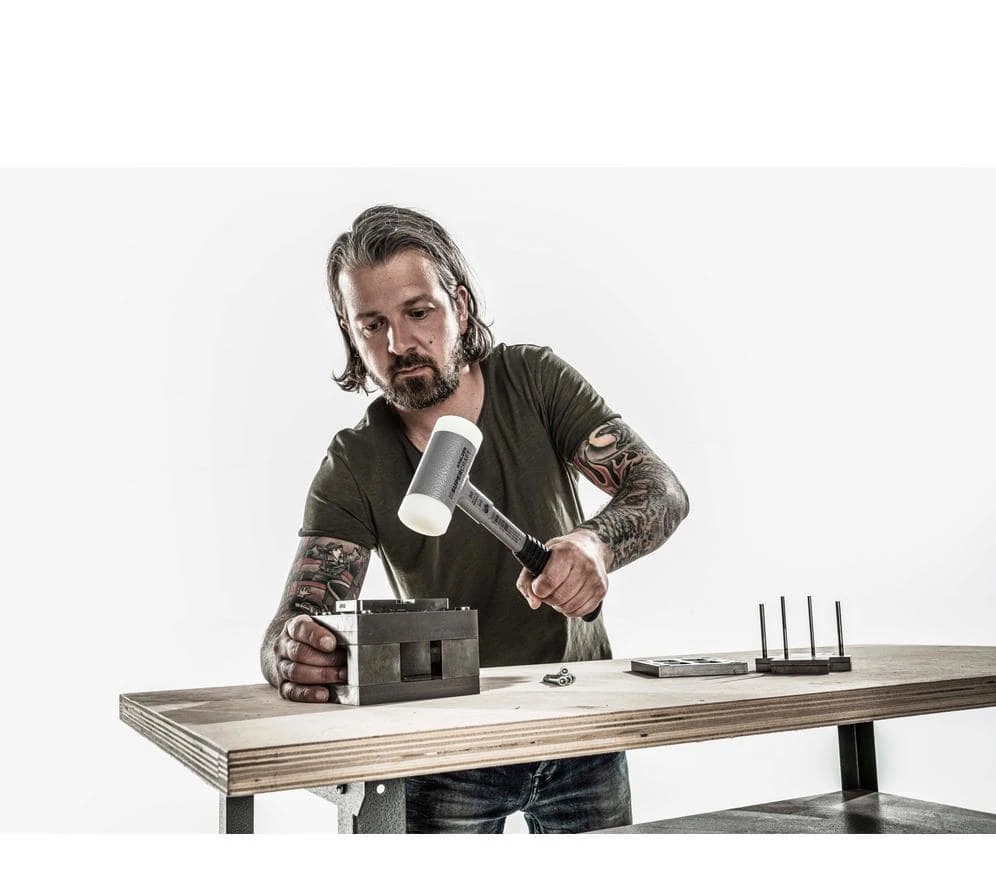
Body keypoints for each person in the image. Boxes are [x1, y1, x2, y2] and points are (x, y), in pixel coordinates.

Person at [260, 205, 690, 833]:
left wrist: (596, 544)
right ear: (351, 334)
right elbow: (294, 622)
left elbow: (662, 490)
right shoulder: (355, 461)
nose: (398, 345)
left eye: (418, 312)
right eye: (372, 324)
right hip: (447, 742)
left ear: (459, 305)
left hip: (579, 715)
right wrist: (293, 653)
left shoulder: (534, 381)